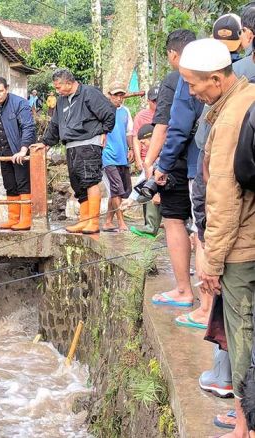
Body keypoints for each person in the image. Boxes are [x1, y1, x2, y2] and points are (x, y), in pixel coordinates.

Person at [179, 38, 255, 438]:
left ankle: (244, 426)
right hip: (243, 241)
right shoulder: (243, 99)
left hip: (241, 248)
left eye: (194, 84)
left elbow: (225, 196)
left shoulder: (229, 119)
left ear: (216, 79)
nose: (191, 92)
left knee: (241, 339)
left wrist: (211, 259)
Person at [144, 30, 202, 310]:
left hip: (178, 162)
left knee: (175, 221)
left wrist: (152, 163)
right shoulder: (224, 71)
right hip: (209, 161)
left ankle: (183, 290)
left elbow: (165, 126)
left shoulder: (175, 79)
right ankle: (211, 303)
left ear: (173, 54)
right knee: (204, 227)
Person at [31, 68, 116, 234]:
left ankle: (93, 221)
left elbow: (109, 112)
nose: (57, 91)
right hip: (71, 145)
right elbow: (55, 124)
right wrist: (46, 143)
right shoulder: (62, 100)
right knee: (77, 184)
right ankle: (83, 220)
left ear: (69, 83)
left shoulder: (89, 93)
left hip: (88, 143)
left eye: (59, 87)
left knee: (90, 180)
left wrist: (105, 131)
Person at [0, 77, 36, 231]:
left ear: (7, 89)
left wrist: (23, 148)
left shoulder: (19, 103)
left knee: (23, 184)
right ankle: (13, 219)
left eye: (0, 91)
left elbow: (28, 127)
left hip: (19, 150)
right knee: (9, 185)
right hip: (3, 151)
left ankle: (26, 219)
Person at [101, 81, 133, 232]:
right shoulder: (103, 111)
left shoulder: (125, 112)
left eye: (121, 95)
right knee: (116, 189)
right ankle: (121, 222)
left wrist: (131, 148)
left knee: (119, 190)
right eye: (116, 95)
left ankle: (108, 221)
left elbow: (129, 132)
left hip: (122, 155)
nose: (119, 98)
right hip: (107, 156)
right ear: (109, 96)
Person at [130, 84, 161, 238]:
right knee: (145, 189)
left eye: (158, 100)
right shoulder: (141, 117)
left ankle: (152, 226)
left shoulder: (166, 113)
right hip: (148, 161)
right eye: (154, 101)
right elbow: (136, 138)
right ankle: (149, 224)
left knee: (151, 190)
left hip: (160, 163)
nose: (156, 104)